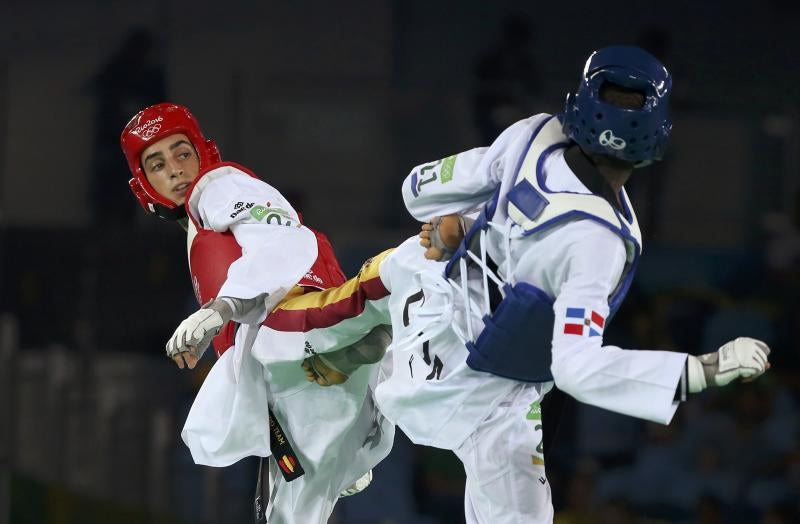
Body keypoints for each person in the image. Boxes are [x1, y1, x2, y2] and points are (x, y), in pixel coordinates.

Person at [289, 46, 772, 524]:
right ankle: (368, 376)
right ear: (657, 137)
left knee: (412, 257)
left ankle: (365, 366)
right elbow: (577, 369)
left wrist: (467, 220)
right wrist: (700, 370)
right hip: (480, 398)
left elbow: (418, 190)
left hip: (424, 309)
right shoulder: (600, 242)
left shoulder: (533, 135)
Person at [119, 103, 392, 524]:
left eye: (182, 153)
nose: (174, 170)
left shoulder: (217, 186)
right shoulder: (203, 226)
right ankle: (352, 422)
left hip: (294, 332)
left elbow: (282, 246)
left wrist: (219, 311)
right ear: (144, 185)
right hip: (289, 363)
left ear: (203, 153)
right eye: (157, 164)